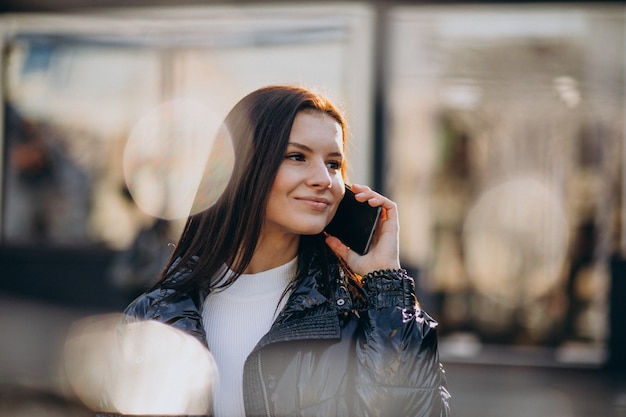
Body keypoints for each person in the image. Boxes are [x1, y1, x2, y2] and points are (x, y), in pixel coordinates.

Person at [97, 85, 450, 417]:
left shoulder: (362, 316)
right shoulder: (154, 315)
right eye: (297, 156)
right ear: (243, 168)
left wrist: (386, 283)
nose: (324, 180)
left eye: (333, 164)